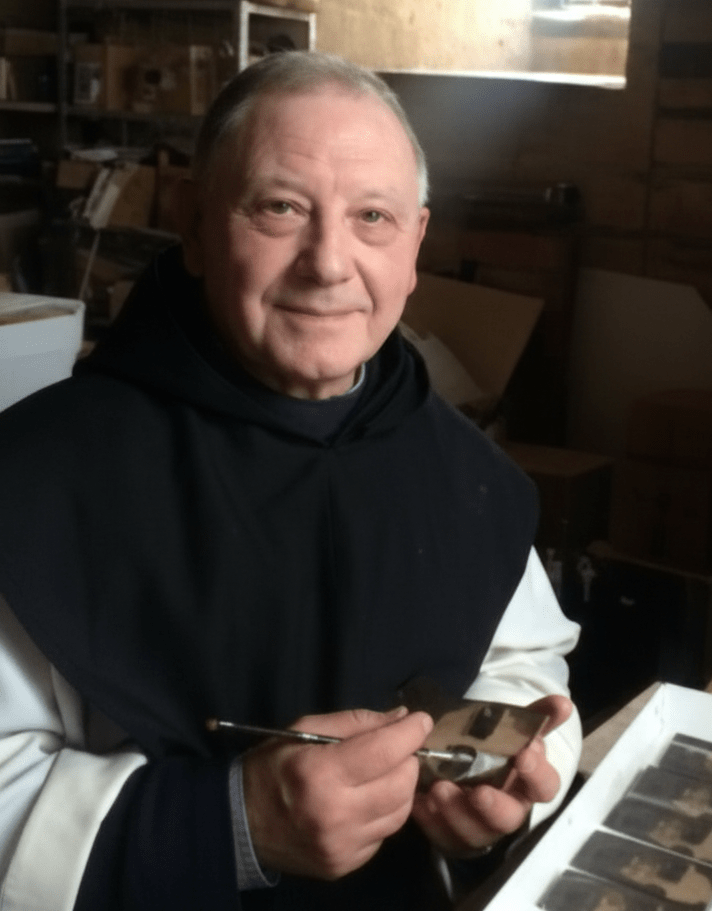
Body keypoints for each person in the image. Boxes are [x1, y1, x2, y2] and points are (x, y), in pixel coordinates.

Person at [0, 51, 582, 909]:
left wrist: (491, 790)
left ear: (415, 246)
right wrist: (231, 824)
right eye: (281, 207)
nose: (328, 263)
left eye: (373, 217)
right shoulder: (36, 478)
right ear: (195, 224)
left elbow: (523, 667)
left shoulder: (467, 474)